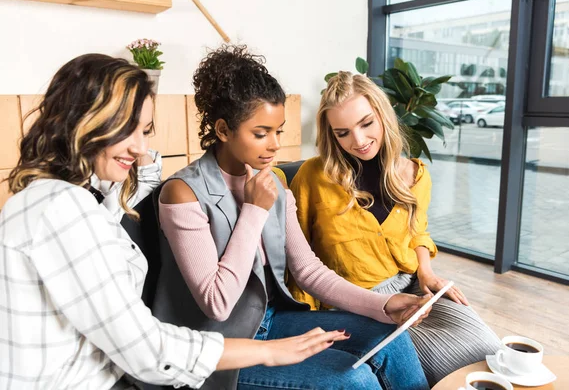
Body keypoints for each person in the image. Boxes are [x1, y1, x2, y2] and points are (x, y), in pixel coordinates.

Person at [0, 53, 349, 390]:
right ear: (82, 122)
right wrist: (271, 352)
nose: (139, 148)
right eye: (126, 130)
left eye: (146, 131)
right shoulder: (60, 209)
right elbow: (148, 350)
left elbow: (307, 269)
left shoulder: (81, 202)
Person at [153, 45, 431, 390]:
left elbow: (308, 271)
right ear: (223, 130)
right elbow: (217, 303)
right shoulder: (182, 192)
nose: (274, 146)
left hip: (275, 320)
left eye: (278, 131)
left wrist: (384, 304)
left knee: (391, 339)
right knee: (354, 380)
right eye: (260, 133)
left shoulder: (272, 183)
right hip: (217, 348)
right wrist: (254, 210)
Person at [287, 71, 503, 386]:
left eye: (366, 124)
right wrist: (306, 321)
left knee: (490, 353)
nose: (358, 141)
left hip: (413, 285)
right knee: (452, 371)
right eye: (343, 132)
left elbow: (418, 231)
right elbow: (299, 257)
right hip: (355, 302)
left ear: (383, 117)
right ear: (331, 134)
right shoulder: (313, 177)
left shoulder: (414, 173)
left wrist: (427, 273)